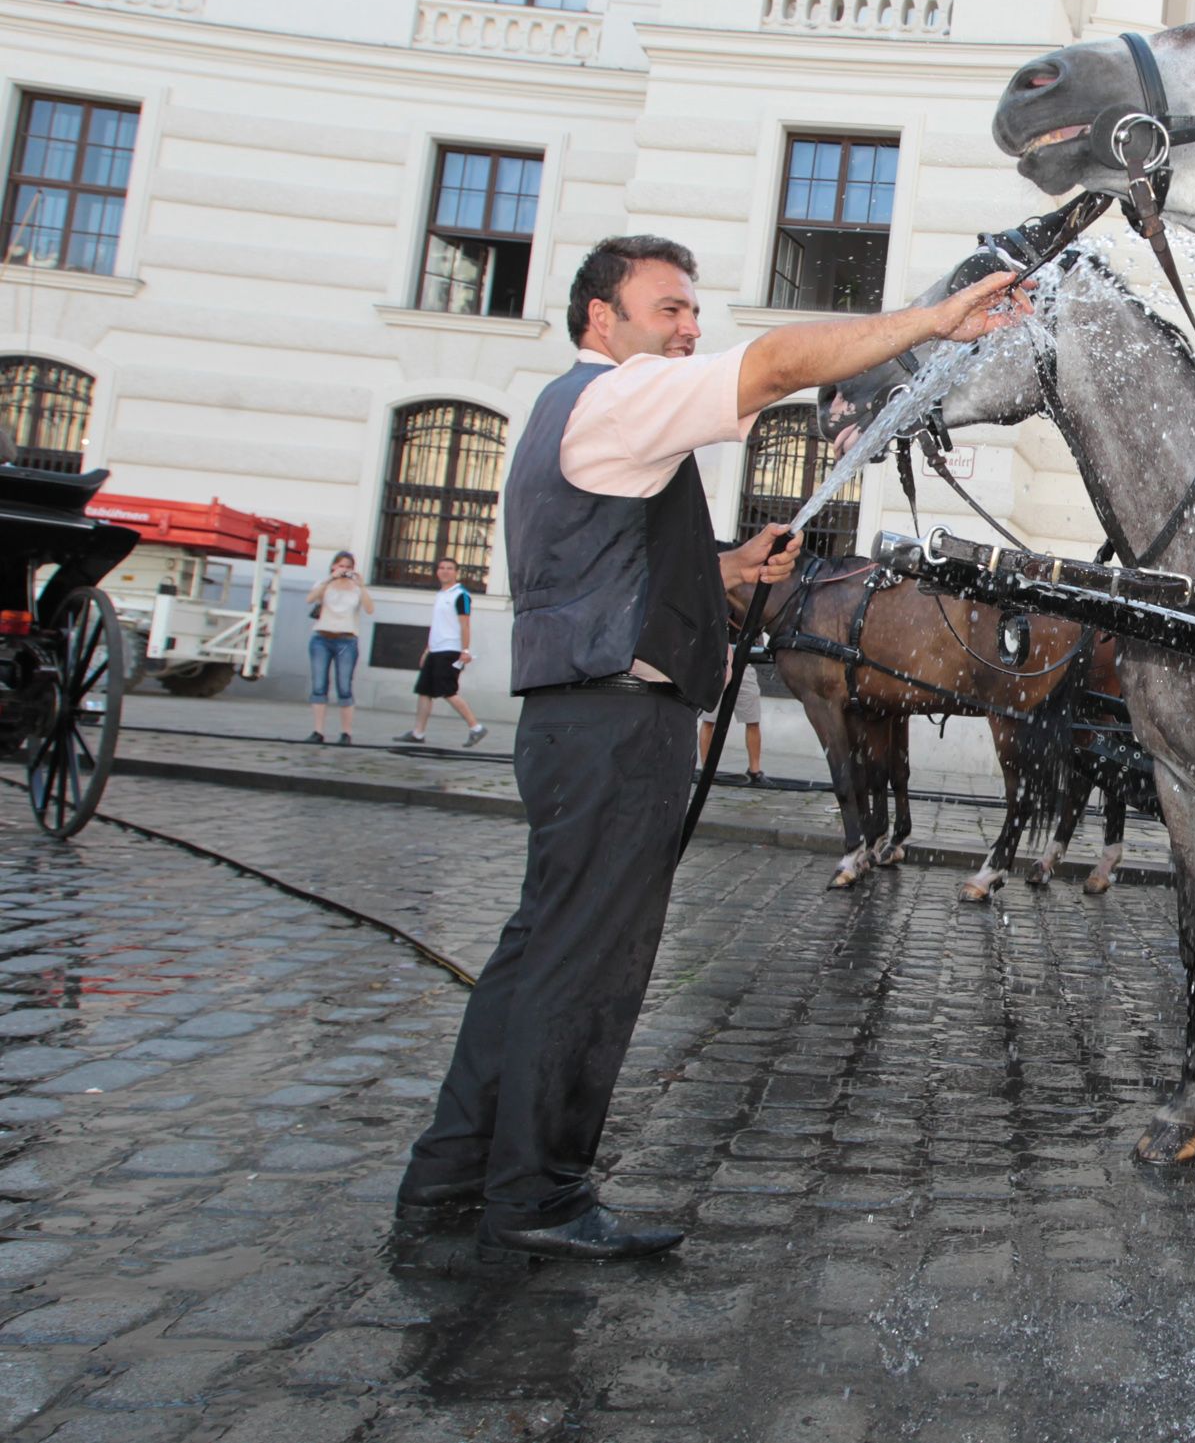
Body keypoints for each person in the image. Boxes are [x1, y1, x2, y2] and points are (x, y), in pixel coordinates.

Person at [395, 233, 1026, 1262]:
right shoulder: (619, 395)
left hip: (578, 720)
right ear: (602, 318)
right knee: (589, 968)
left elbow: (612, 564)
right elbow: (774, 365)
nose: (689, 327)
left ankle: (450, 1174)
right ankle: (538, 1195)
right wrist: (932, 322)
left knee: (538, 953)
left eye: (692, 310)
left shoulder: (575, 410)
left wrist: (728, 565)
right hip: (613, 727)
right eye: (668, 309)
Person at [396, 557, 490, 748]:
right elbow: (438, 625)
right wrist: (427, 650)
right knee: (424, 691)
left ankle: (476, 727)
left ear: (456, 572)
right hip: (436, 650)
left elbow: (465, 624)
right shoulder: (440, 594)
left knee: (448, 691)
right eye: (442, 568)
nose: (445, 571)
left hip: (450, 650)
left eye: (449, 568)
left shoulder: (461, 595)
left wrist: (465, 650)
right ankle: (418, 733)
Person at [307, 550, 374, 744]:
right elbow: (310, 599)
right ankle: (318, 731)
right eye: (341, 566)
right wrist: (330, 579)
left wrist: (361, 585)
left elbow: (370, 609)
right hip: (321, 638)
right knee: (319, 685)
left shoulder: (356, 588)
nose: (344, 570)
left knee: (344, 686)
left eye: (348, 567)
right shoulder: (324, 583)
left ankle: (346, 733)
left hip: (346, 639)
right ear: (333, 566)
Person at [697, 638, 765, 784]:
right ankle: (706, 768)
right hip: (715, 663)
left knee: (753, 720)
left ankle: (755, 770)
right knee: (709, 720)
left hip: (744, 664)